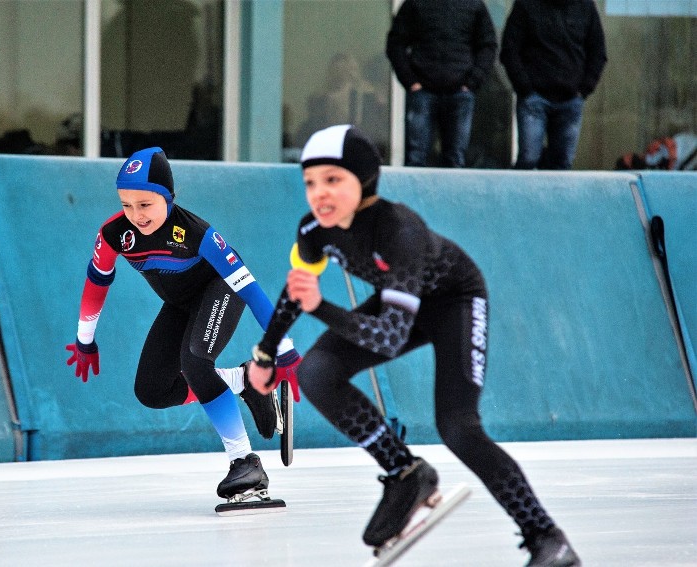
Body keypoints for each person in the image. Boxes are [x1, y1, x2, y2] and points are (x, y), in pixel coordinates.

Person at [247, 125, 581, 566]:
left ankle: (547, 538)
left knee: (459, 427)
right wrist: (265, 354)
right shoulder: (313, 229)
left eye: (333, 180)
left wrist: (321, 307)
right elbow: (297, 290)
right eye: (310, 182)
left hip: (454, 301)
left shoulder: (399, 229)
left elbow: (388, 339)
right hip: (399, 301)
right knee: (316, 372)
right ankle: (406, 473)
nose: (318, 194)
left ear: (363, 181)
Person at [65, 146, 301, 502]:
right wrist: (85, 340)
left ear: (168, 197)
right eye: (127, 205)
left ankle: (245, 463)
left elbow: (251, 292)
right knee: (152, 391)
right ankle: (247, 381)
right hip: (179, 304)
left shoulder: (197, 233)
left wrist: (284, 350)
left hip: (220, 291)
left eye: (145, 205)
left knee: (195, 362)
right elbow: (97, 282)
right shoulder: (114, 234)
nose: (136, 216)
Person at [385, 0, 497, 168]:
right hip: (425, 91)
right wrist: (411, 81)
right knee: (418, 158)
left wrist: (472, 82)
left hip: (457, 91)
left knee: (453, 159)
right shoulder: (416, 4)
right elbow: (396, 44)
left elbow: (487, 46)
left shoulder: (473, 5)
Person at [500, 0, 607, 170]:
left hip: (570, 100)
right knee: (528, 160)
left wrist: (584, 89)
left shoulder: (585, 6)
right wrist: (525, 88)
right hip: (534, 99)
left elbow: (598, 52)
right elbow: (510, 49)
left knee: (562, 165)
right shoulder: (526, 5)